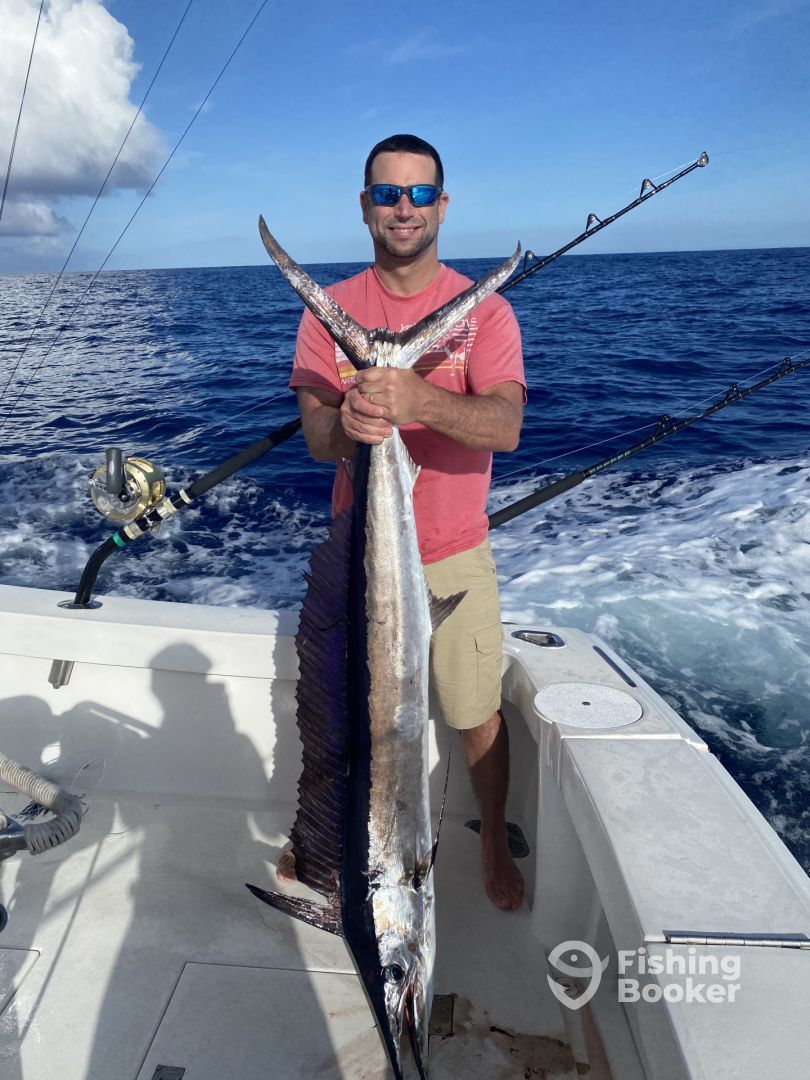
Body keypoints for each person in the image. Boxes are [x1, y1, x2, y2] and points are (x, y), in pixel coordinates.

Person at [285, 133, 526, 911]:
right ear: (365, 207)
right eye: (388, 193)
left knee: (471, 710)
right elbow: (319, 439)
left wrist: (419, 400)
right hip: (362, 563)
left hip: (454, 552)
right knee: (343, 720)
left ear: (442, 206)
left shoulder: (485, 314)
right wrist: (347, 420)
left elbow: (506, 426)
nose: (403, 208)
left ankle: (491, 830)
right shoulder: (332, 314)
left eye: (419, 194)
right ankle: (326, 835)